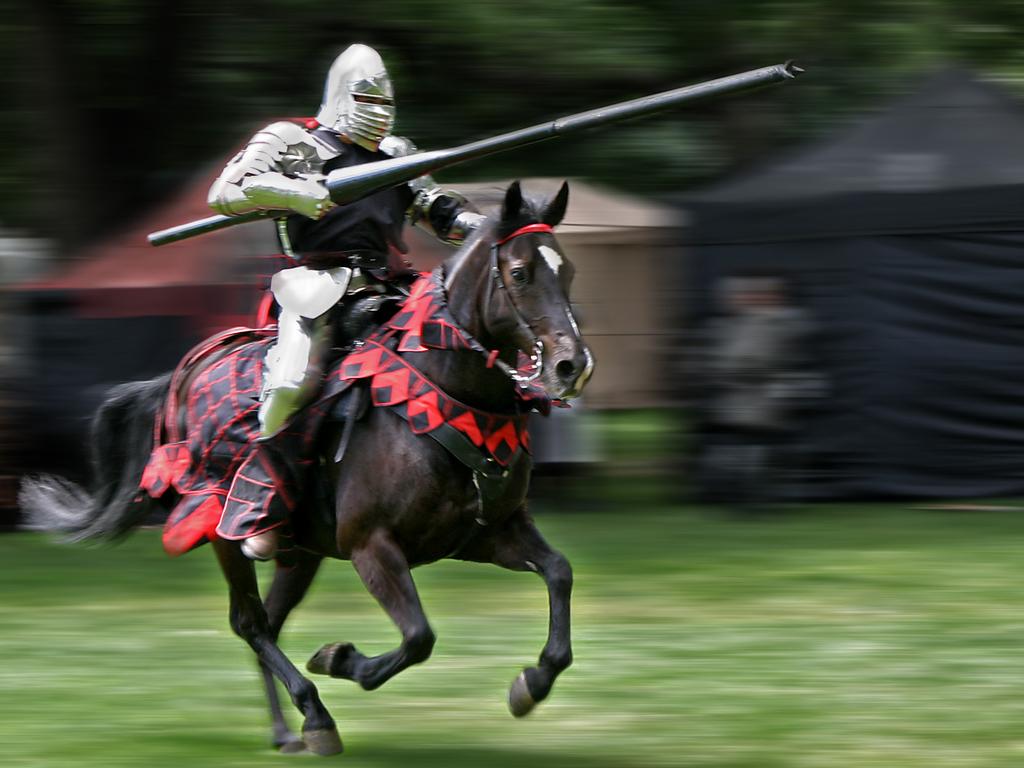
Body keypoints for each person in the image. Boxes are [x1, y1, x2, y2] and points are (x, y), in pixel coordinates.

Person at [208, 43, 485, 559]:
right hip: (316, 287)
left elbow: (434, 209)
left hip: (391, 289)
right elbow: (224, 192)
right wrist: (293, 192)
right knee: (291, 384)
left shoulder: (397, 153)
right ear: (339, 94)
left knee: (463, 352)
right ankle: (260, 504)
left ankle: (459, 489)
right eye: (365, 97)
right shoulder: (292, 141)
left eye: (385, 101)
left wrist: (482, 227)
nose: (377, 111)